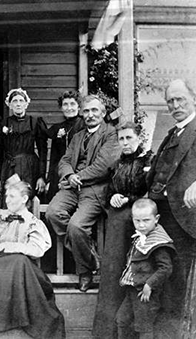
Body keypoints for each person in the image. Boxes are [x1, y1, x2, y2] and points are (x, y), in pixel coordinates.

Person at [0, 179, 65, 338]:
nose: (7, 200)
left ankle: (19, 323)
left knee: (18, 261)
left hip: (23, 272)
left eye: (12, 196)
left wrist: (7, 246)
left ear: (24, 199)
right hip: (0, 267)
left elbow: (37, 250)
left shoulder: (32, 222)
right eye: (6, 196)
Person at [45, 94, 120, 292]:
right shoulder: (78, 136)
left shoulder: (111, 134)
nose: (90, 114)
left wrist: (78, 177)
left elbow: (103, 166)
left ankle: (85, 270)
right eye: (86, 111)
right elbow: (64, 161)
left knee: (76, 226)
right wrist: (69, 175)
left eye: (94, 110)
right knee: (52, 213)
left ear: (103, 113)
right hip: (73, 186)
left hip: (95, 189)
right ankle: (89, 256)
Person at [93, 121, 152, 338]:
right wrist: (114, 197)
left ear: (139, 138)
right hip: (117, 223)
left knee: (137, 272)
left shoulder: (148, 161)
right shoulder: (117, 163)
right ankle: (106, 333)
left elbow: (149, 193)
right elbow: (109, 191)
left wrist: (129, 198)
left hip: (139, 223)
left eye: (129, 138)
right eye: (121, 139)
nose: (125, 142)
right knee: (113, 273)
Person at [147, 79, 196, 336]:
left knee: (180, 282)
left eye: (180, 99)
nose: (175, 105)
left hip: (185, 219)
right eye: (170, 101)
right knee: (161, 275)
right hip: (161, 214)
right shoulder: (171, 133)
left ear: (193, 98)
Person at [116, 198, 175, 339]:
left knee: (144, 326)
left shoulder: (158, 241)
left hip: (146, 291)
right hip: (133, 288)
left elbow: (165, 268)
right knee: (122, 320)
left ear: (156, 219)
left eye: (146, 220)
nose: (141, 225)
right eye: (137, 221)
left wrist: (149, 284)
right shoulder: (141, 236)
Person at [0, 88, 47, 207]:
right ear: (10, 105)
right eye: (15, 101)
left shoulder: (34, 122)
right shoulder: (3, 124)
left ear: (26, 104)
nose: (18, 104)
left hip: (30, 168)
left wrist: (42, 176)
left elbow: (43, 151)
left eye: (21, 101)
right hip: (9, 168)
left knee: (28, 199)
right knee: (10, 199)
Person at [45, 91, 86, 201]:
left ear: (78, 107)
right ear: (61, 108)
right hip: (59, 172)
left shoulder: (84, 125)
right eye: (65, 104)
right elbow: (54, 156)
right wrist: (49, 179)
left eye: (72, 104)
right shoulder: (58, 128)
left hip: (78, 172)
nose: (69, 108)